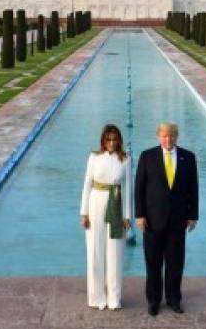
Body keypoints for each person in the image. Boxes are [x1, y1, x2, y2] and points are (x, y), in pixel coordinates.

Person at [135, 122, 199, 316]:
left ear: (176, 136)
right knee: (153, 263)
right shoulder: (147, 156)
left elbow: (193, 189)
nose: (168, 139)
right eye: (164, 136)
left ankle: (173, 299)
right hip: (153, 220)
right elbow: (139, 188)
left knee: (175, 262)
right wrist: (140, 214)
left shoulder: (188, 157)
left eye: (171, 136)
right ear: (158, 137)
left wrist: (192, 215)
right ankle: (153, 300)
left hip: (178, 220)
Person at [80, 124, 132, 310]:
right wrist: (83, 212)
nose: (111, 143)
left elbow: (127, 189)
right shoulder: (94, 157)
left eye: (114, 139)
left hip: (116, 204)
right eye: (108, 139)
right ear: (103, 141)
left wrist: (127, 216)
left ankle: (114, 298)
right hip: (96, 203)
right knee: (95, 250)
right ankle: (96, 297)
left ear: (119, 140)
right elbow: (87, 184)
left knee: (115, 252)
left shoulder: (125, 159)